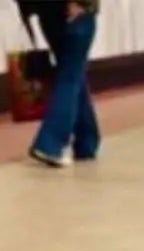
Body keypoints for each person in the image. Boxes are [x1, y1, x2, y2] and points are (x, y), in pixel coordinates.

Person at [29, 0, 101, 167]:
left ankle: (87, 141)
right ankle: (50, 144)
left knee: (72, 71)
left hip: (47, 11)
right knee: (70, 75)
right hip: (74, 9)